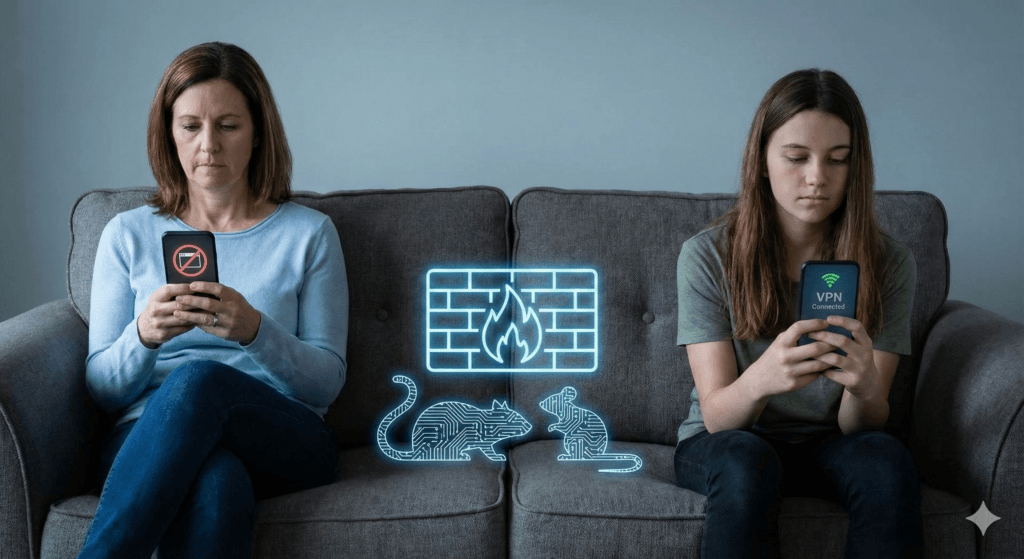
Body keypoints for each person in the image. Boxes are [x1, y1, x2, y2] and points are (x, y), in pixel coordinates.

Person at [78, 42, 348, 558]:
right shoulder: (126, 234)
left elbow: (327, 382)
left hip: (282, 436)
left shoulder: (309, 234)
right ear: (168, 133)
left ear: (258, 132)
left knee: (198, 380)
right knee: (218, 482)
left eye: (228, 126)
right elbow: (103, 390)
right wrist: (143, 336)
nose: (208, 146)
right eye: (190, 126)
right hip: (147, 439)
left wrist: (255, 331)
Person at [673, 69, 923, 558]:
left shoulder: (890, 263)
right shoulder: (707, 255)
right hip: (731, 439)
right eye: (796, 157)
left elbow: (863, 425)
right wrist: (761, 380)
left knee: (886, 460)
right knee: (746, 461)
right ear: (763, 161)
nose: (817, 178)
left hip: (832, 441)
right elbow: (719, 418)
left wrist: (864, 388)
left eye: (838, 159)